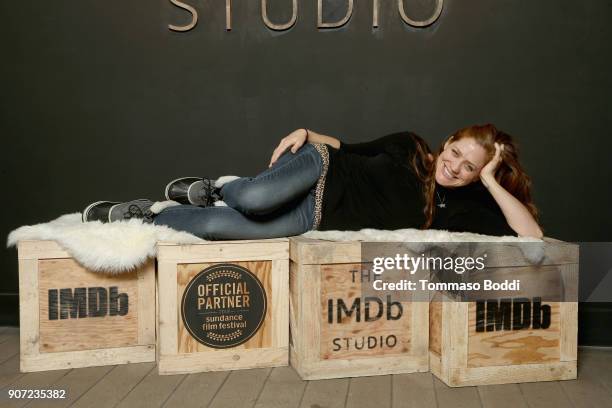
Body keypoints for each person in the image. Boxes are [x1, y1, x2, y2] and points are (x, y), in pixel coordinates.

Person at [81, 125, 543, 239]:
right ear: (447, 142)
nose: (454, 166)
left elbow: (531, 235)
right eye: (456, 152)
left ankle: (147, 215)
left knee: (214, 228)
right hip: (321, 168)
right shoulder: (409, 146)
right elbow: (349, 147)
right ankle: (220, 188)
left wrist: (490, 180)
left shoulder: (464, 207)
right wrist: (307, 134)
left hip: (315, 216)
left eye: (469, 167)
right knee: (257, 196)